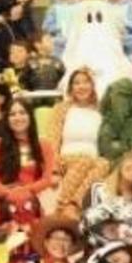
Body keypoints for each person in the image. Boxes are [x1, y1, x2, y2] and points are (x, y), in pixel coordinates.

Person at [0, 97, 55, 235]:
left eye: (22, 113)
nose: (18, 117)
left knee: (32, 213)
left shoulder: (43, 145)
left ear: (30, 116)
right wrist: (11, 193)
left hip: (32, 198)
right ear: (7, 119)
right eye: (12, 114)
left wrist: (24, 192)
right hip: (5, 199)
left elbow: (47, 179)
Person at [45, 68, 107, 217]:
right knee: (86, 160)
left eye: (86, 82)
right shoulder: (62, 108)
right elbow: (52, 138)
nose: (81, 86)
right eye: (76, 83)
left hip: (93, 162)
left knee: (104, 163)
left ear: (93, 86)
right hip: (66, 160)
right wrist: (53, 170)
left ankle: (74, 205)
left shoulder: (101, 111)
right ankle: (61, 207)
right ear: (71, 88)